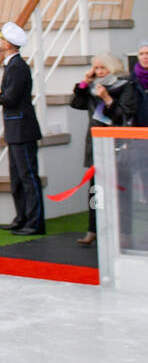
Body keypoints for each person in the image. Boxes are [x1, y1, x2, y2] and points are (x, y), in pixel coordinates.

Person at [0, 23, 44, 234]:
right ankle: (22, 217)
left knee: (28, 176)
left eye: (2, 39)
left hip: (22, 128)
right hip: (16, 128)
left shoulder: (18, 66)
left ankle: (34, 222)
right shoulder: (13, 65)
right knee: (18, 177)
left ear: (8, 43)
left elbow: (11, 97)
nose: (0, 42)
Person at [70, 53, 139, 246]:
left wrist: (107, 99)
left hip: (119, 146)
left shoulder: (126, 87)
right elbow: (76, 103)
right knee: (95, 190)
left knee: (121, 191)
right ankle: (93, 229)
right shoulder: (92, 88)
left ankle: (125, 232)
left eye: (103, 68)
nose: (99, 72)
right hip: (96, 146)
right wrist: (84, 82)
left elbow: (124, 116)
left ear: (112, 68)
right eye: (96, 68)